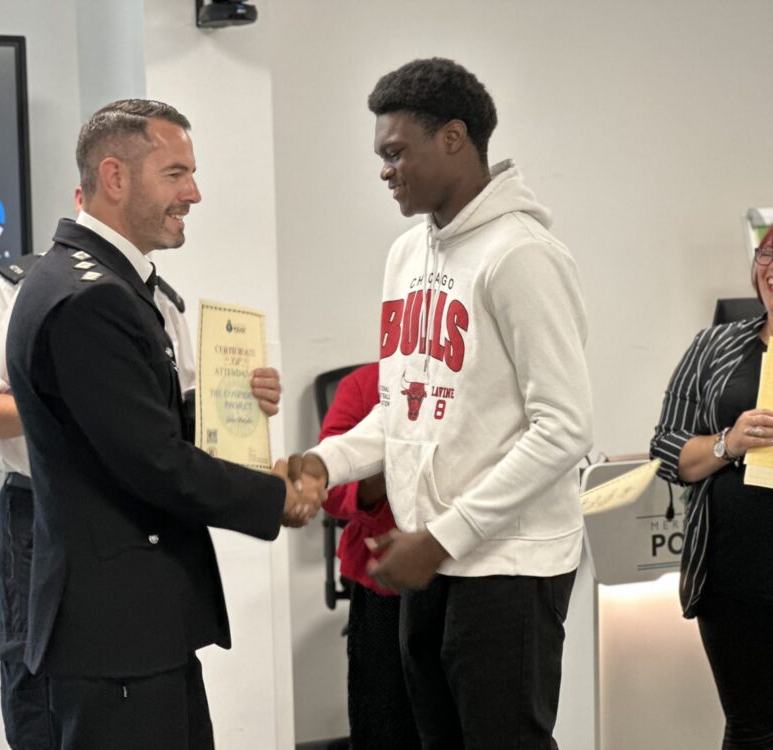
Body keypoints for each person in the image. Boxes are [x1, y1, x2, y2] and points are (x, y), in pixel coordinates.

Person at [291, 58, 592, 749]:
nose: (385, 170)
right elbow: (402, 407)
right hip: (428, 556)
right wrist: (324, 462)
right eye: (381, 156)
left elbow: (565, 429)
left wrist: (444, 537)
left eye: (396, 152)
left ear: (453, 138)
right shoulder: (406, 254)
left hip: (507, 565)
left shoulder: (522, 256)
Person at [5, 99, 321, 748]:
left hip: (134, 631)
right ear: (116, 178)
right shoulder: (91, 296)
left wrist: (232, 414)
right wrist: (275, 497)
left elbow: (138, 425)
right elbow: (153, 461)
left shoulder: (101, 282)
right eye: (176, 174)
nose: (194, 193)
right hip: (117, 637)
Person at [0, 188, 285, 749]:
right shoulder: (21, 288)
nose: (191, 193)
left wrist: (241, 402)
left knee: (154, 690)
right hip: (42, 509)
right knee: (43, 694)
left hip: (139, 516)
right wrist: (75, 411)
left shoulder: (163, 303)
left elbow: (165, 425)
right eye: (173, 175)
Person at [651, 210, 773, 749]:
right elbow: (667, 448)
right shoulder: (714, 347)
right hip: (736, 582)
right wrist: (727, 443)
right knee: (752, 729)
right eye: (765, 255)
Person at [318, 362, 421, 749]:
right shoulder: (362, 386)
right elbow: (329, 487)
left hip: (462, 576)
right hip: (384, 583)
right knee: (384, 723)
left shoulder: (470, 385)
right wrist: (397, 466)